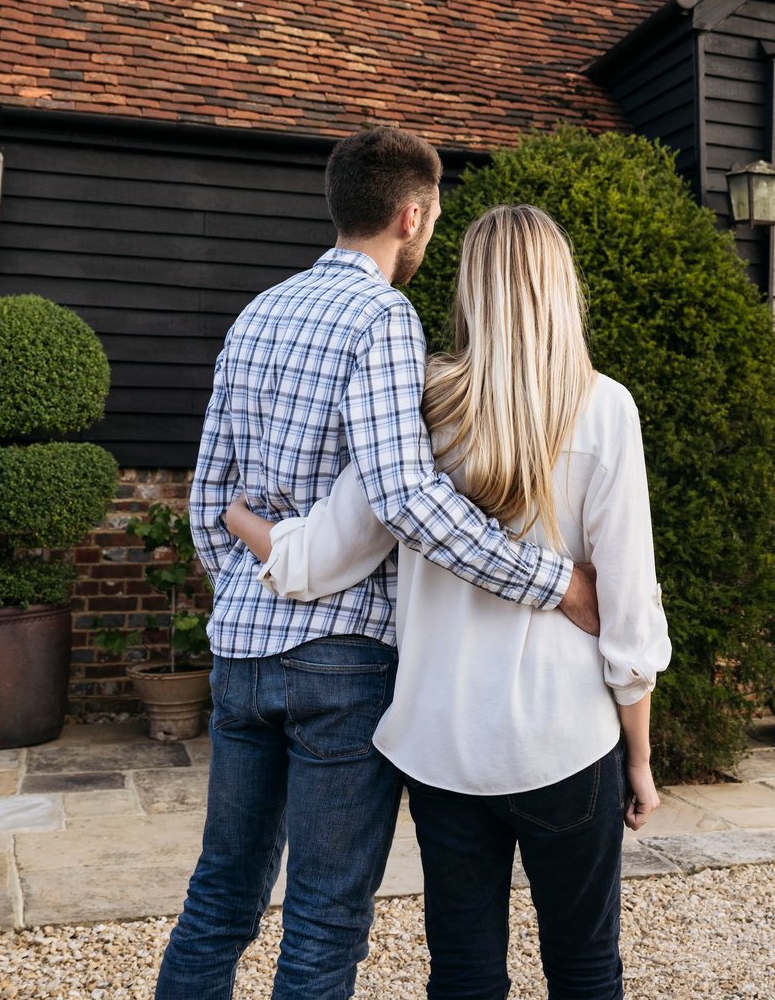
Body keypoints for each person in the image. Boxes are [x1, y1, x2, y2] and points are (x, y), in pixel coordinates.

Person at [156, 130, 602, 1000]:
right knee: (324, 919)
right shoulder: (383, 319)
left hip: (240, 652)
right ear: (412, 215)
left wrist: (254, 588)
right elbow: (404, 498)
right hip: (342, 662)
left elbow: (208, 495)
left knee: (220, 894)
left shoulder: (258, 311)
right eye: (432, 219)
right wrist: (553, 582)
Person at [223, 203, 671, 1000]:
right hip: (563, 743)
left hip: (440, 748)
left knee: (462, 974)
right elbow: (627, 609)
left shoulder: (424, 405)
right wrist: (638, 756)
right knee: (585, 969)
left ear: (470, 290)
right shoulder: (605, 408)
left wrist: (245, 525)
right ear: (561, 289)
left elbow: (329, 553)